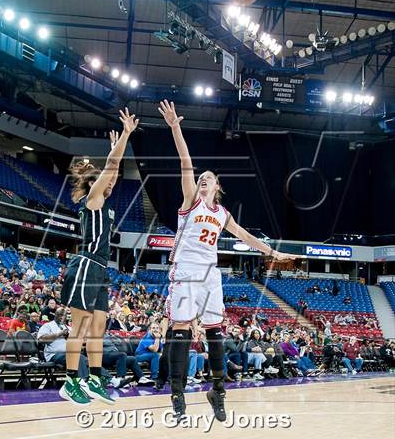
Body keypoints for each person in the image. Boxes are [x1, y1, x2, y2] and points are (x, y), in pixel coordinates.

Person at [158, 100, 296, 421]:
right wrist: (175, 127)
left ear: (218, 187)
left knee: (215, 330)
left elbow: (246, 237)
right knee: (180, 327)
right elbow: (185, 163)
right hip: (186, 270)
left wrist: (273, 253)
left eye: (209, 178)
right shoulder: (191, 201)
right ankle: (177, 392)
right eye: (202, 178)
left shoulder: (222, 214)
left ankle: (217, 391)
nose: (204, 179)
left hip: (209, 274)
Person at [59, 108, 139, 405]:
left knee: (99, 327)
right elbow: (113, 164)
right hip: (86, 266)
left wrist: (114, 152)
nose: (113, 181)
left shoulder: (104, 201)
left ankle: (93, 378)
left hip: (101, 271)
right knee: (79, 328)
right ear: (96, 182)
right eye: (108, 179)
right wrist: (126, 135)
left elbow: (113, 168)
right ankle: (70, 382)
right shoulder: (93, 199)